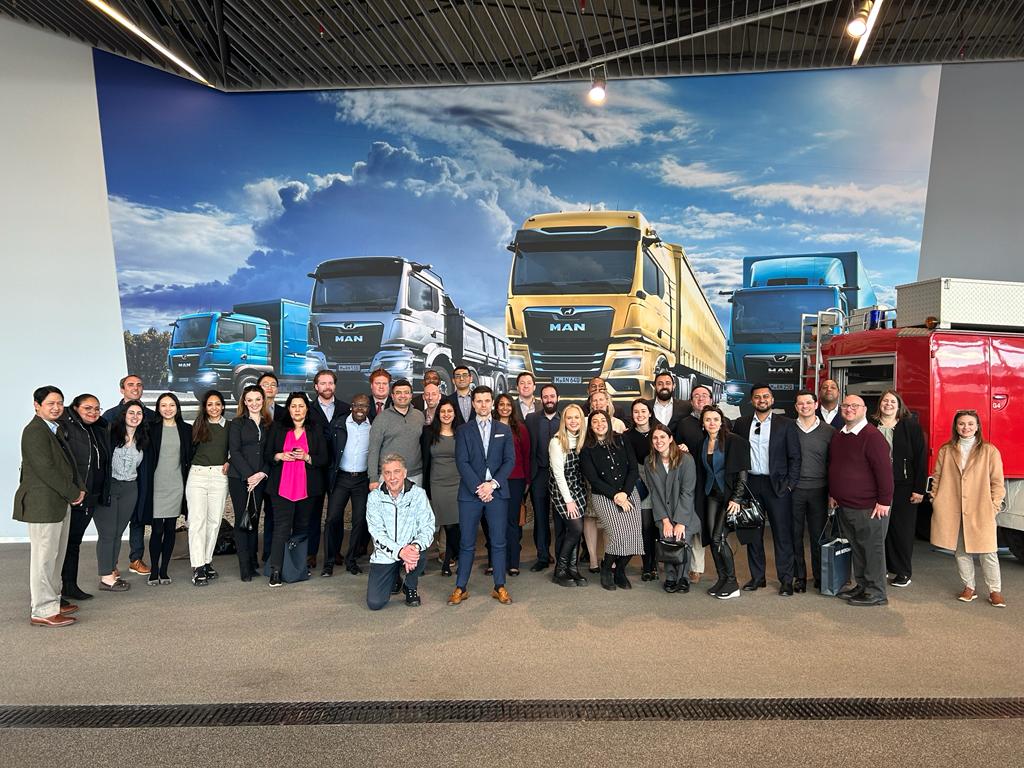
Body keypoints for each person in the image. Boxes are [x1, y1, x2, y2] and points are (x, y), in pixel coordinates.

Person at [14, 386, 85, 627]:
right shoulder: (34, 431)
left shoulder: (54, 428)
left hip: (58, 502)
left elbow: (68, 464)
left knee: (56, 556)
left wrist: (78, 488)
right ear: (37, 405)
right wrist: (73, 493)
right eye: (50, 403)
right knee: (44, 559)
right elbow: (46, 469)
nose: (56, 407)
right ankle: (42, 611)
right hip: (44, 504)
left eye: (60, 403)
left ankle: (53, 600)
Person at [929, 410, 1006, 607]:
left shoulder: (989, 450)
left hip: (981, 507)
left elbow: (997, 482)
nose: (966, 427)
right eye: (962, 424)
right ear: (956, 426)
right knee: (961, 550)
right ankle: (969, 587)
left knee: (988, 550)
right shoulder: (946, 450)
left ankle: (994, 590)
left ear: (978, 426)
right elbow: (937, 477)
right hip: (953, 506)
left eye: (970, 424)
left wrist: (994, 506)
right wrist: (935, 498)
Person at [448, 386, 516, 606]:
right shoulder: (464, 430)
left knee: (498, 541)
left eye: (487, 401)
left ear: (492, 403)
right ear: (474, 403)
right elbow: (462, 462)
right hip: (470, 494)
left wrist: (492, 485)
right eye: (479, 401)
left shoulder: (504, 430)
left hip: (497, 493)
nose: (483, 405)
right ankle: (461, 587)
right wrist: (480, 487)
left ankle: (499, 586)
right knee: (467, 543)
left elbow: (509, 461)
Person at [732, 384, 802, 596]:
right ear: (751, 401)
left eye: (766, 396)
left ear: (772, 399)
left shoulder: (786, 424)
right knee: (754, 533)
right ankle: (758, 577)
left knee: (782, 534)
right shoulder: (741, 424)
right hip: (751, 484)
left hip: (778, 486)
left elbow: (795, 458)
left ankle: (786, 580)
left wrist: (789, 484)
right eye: (757, 397)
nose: (762, 400)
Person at [828, 395, 894, 607]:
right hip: (846, 505)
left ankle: (877, 592)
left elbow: (884, 473)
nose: (849, 409)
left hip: (870, 508)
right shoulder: (840, 435)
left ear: (864, 410)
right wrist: (834, 494)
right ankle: (863, 585)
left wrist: (884, 501)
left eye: (854, 406)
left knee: (872, 550)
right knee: (857, 547)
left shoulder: (872, 437)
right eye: (846, 405)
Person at [264, 392, 329, 587]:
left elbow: (324, 458)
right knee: (281, 529)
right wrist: (279, 456)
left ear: (307, 409)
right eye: (293, 406)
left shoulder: (315, 429)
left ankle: (299, 567)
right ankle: (276, 570)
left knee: (302, 529)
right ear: (289, 408)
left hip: (307, 489)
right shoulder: (278, 427)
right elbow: (268, 455)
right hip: (282, 487)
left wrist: (308, 457)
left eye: (301, 406)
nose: (297, 410)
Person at [580, 410, 643, 591]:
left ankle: (620, 570)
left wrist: (625, 493)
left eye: (603, 420)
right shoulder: (587, 449)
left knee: (634, 537)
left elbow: (633, 470)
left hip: (629, 493)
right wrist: (616, 496)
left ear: (609, 422)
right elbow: (594, 480)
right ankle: (606, 569)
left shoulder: (622, 440)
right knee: (618, 535)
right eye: (595, 422)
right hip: (604, 496)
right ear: (590, 426)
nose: (600, 424)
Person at [101, 373, 157, 576]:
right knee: (113, 525)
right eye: (130, 385)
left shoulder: (150, 415)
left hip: (140, 475)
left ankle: (136, 558)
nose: (136, 388)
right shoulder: (109, 415)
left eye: (139, 385)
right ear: (121, 389)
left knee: (138, 517)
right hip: (114, 478)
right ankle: (111, 565)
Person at [871, 389, 927, 589]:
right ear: (880, 405)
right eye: (885, 401)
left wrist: (919, 489)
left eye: (892, 401)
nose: (888, 404)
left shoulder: (910, 426)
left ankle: (903, 571)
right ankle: (883, 567)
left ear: (899, 405)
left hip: (904, 486)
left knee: (901, 530)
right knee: (880, 529)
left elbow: (921, 459)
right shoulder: (871, 426)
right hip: (876, 486)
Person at [365, 454, 435, 610]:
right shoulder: (374, 498)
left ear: (404, 473)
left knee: (421, 552)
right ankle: (394, 577)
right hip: (385, 555)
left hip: (410, 552)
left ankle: (410, 586)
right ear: (383, 475)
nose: (392, 477)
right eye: (387, 473)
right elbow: (377, 533)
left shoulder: (418, 494)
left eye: (396, 472)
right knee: (375, 603)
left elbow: (427, 527)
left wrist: (414, 547)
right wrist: (400, 552)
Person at [58, 394, 109, 602]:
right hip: (72, 496)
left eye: (97, 408)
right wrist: (72, 491)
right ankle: (54, 591)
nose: (93, 412)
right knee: (61, 545)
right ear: (75, 408)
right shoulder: (66, 427)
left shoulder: (96, 428)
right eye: (88, 408)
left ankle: (70, 585)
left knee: (74, 543)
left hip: (89, 496)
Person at [95, 399, 148, 593]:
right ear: (124, 415)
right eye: (131, 413)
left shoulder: (142, 440)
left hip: (130, 489)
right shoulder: (110, 435)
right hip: (109, 487)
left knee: (117, 533)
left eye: (139, 413)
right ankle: (106, 577)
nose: (135, 416)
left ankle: (111, 569)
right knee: (107, 534)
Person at [700, 405, 751, 600]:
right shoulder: (703, 443)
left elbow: (742, 472)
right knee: (713, 540)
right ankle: (722, 579)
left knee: (719, 538)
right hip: (712, 495)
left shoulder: (734, 441)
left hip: (729, 497)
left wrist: (737, 498)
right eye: (707, 420)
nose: (712, 423)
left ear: (722, 421)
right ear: (703, 424)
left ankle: (732, 582)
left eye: (715, 419)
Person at [672, 383, 720, 584]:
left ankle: (697, 567)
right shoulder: (684, 424)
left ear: (711, 399)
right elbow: (672, 449)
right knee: (685, 521)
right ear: (691, 401)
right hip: (688, 481)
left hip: (712, 484)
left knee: (702, 525)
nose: (700, 398)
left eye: (704, 395)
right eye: (696, 396)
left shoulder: (719, 422)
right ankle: (679, 562)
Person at [323, 393, 372, 576]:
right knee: (332, 519)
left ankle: (351, 560)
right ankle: (328, 562)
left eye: (365, 406)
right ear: (351, 406)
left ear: (369, 408)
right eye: (357, 405)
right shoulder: (339, 423)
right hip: (341, 478)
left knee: (359, 520)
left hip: (362, 480)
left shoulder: (372, 426)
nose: (361, 409)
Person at [647, 423, 699, 593]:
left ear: (670, 439)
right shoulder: (650, 462)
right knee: (667, 540)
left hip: (685, 511)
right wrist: (665, 521)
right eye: (655, 437)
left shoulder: (686, 459)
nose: (658, 441)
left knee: (683, 541)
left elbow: (688, 492)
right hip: (663, 513)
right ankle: (670, 577)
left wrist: (681, 522)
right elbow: (654, 492)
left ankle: (683, 578)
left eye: (662, 437)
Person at [306, 369, 350, 569]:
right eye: (322, 383)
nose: (327, 387)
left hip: (338, 469)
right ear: (316, 387)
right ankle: (311, 553)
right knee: (313, 513)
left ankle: (334, 552)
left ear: (335, 386)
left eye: (330, 383)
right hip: (314, 468)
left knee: (335, 514)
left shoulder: (345, 409)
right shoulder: (307, 409)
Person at [185, 389, 230, 587]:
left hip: (220, 476)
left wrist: (231, 460)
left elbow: (236, 449)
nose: (214, 408)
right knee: (197, 522)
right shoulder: (197, 425)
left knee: (214, 522)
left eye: (218, 404)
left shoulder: (230, 426)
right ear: (204, 407)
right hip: (198, 476)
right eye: (210, 404)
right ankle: (198, 567)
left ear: (223, 406)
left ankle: (206, 561)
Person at [145, 393, 191, 586]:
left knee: (170, 528)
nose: (168, 409)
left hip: (176, 484)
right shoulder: (150, 429)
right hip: (156, 484)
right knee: (157, 530)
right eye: (163, 405)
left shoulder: (186, 429)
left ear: (177, 407)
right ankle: (154, 570)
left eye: (171, 405)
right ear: (158, 408)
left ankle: (164, 571)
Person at [792, 389, 834, 592]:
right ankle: (799, 576)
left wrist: (833, 493)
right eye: (800, 403)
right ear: (796, 407)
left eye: (808, 402)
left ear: (816, 405)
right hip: (794, 491)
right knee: (795, 535)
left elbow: (833, 464)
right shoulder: (788, 429)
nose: (805, 406)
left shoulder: (829, 431)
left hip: (819, 490)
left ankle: (819, 576)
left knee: (819, 536)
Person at [228, 386, 270, 581]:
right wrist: (249, 476)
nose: (254, 403)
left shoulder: (270, 424)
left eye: (257, 399)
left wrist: (261, 474)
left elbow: (272, 453)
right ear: (244, 402)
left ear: (263, 401)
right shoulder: (237, 423)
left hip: (260, 479)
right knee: (241, 521)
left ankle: (253, 563)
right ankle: (244, 567)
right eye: (250, 400)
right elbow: (234, 452)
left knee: (253, 520)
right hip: (240, 479)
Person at [548, 403, 588, 587]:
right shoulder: (557, 441)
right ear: (563, 420)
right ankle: (560, 570)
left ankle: (573, 569)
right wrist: (568, 501)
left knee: (574, 531)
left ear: (582, 420)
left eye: (576, 417)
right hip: (561, 490)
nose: (573, 421)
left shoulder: (582, 439)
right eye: (569, 417)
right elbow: (558, 475)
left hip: (578, 487)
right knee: (576, 528)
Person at [421, 401, 461, 576]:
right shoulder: (429, 433)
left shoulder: (461, 433)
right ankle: (451, 556)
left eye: (449, 411)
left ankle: (448, 560)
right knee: (446, 522)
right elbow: (423, 458)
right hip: (437, 483)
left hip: (458, 483)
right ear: (438, 414)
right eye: (442, 411)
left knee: (454, 523)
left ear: (454, 413)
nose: (446, 414)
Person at [525, 383, 561, 571]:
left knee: (560, 518)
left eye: (552, 396)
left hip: (561, 477)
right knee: (540, 518)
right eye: (545, 397)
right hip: (538, 474)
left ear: (558, 398)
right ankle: (543, 556)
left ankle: (562, 556)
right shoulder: (530, 419)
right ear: (541, 399)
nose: (549, 400)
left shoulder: (565, 419)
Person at [495, 393, 531, 577]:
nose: (505, 408)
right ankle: (496, 561)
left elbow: (526, 456)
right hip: (494, 481)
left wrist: (527, 481)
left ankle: (513, 562)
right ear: (496, 406)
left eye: (508, 405)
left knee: (512, 521)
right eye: (501, 404)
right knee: (495, 522)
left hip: (516, 480)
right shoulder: (490, 427)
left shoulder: (521, 429)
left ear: (513, 407)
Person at [623, 399, 657, 581]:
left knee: (659, 525)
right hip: (640, 483)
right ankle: (647, 566)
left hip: (660, 482)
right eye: (636, 412)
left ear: (650, 413)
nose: (640, 415)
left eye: (643, 411)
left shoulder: (659, 432)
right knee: (646, 526)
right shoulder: (627, 436)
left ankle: (659, 562)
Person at [368, 378, 425, 487]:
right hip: (389, 476)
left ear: (411, 395)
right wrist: (373, 478)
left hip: (415, 475)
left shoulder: (419, 416)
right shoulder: (381, 418)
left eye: (406, 392)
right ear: (392, 396)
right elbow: (373, 450)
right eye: (398, 393)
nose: (402, 396)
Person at [257, 372, 285, 561]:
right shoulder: (252, 411)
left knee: (274, 514)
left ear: (278, 389)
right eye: (265, 384)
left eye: (273, 384)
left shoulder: (285, 413)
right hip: (256, 469)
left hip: (279, 470)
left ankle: (271, 554)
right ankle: (252, 555)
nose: (269, 387)